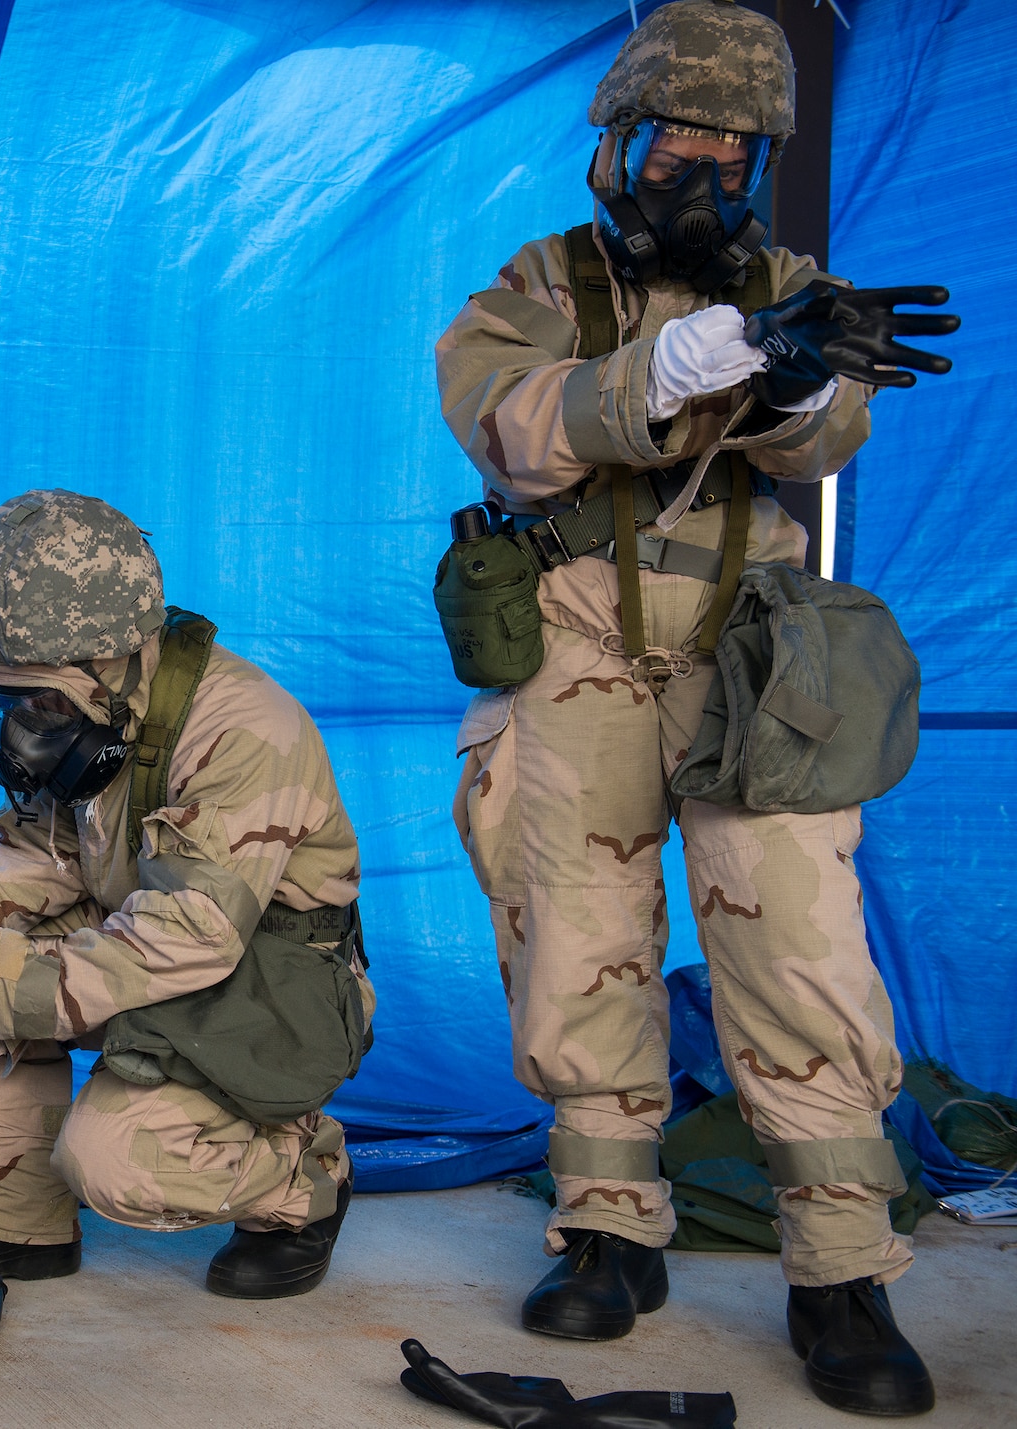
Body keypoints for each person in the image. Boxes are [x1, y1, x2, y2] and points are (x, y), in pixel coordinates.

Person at [434, 2, 953, 1416]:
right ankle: (608, 1224)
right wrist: (691, 359)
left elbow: (831, 432)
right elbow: (512, 429)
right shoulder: (531, 283)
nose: (705, 171)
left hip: (749, 653)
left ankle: (841, 1267)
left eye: (737, 150)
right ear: (618, 141)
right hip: (573, 637)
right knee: (573, 934)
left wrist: (791, 368)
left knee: (799, 943)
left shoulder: (798, 284)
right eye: (680, 139)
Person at [0, 489, 373, 1300]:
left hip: (263, 979)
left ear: (107, 659)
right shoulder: (100, 716)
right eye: (5, 699)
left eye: (37, 698)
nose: (23, 726)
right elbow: (43, 846)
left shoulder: (243, 729)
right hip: (148, 939)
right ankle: (9, 1214)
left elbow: (192, 933)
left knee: (112, 1159)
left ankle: (303, 1177)